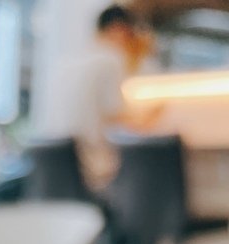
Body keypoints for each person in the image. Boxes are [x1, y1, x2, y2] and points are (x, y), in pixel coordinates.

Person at [57, 5, 159, 195]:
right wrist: (150, 117)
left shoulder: (69, 63)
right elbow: (116, 118)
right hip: (93, 169)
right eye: (130, 34)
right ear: (118, 29)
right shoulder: (110, 60)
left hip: (61, 168)